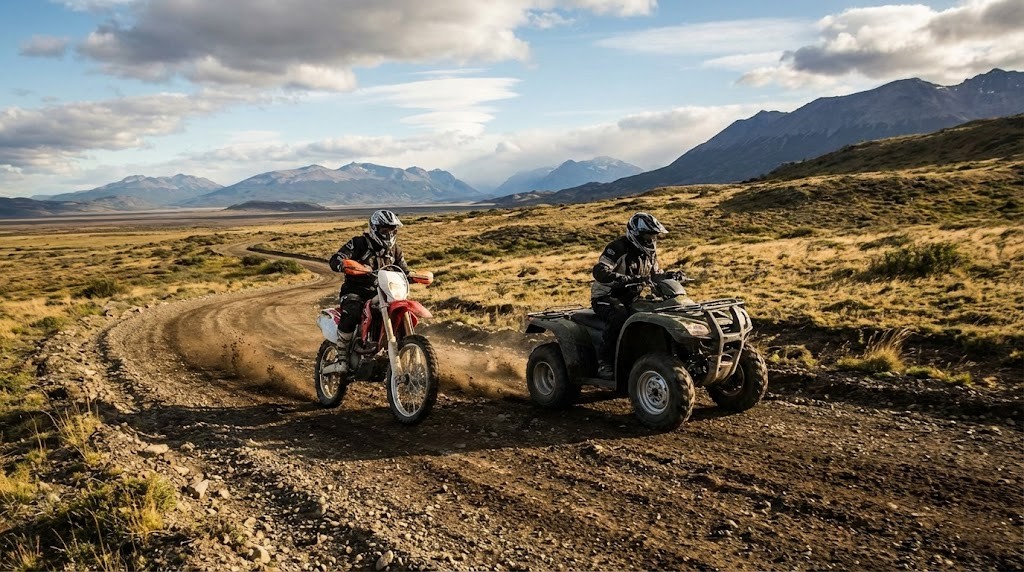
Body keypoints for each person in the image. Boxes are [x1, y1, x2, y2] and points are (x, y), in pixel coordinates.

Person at [590, 212, 673, 379]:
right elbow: (600, 271)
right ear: (635, 234)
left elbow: (655, 274)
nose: (651, 239)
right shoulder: (617, 248)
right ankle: (604, 362)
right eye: (647, 235)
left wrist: (670, 276)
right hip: (606, 297)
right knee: (619, 316)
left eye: (653, 236)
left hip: (632, 298)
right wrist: (624, 279)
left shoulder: (649, 253)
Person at [328, 209, 410, 372]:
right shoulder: (359, 243)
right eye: (385, 230)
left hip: (384, 292)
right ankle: (342, 356)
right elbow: (336, 258)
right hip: (356, 290)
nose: (389, 234)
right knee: (352, 310)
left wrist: (414, 276)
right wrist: (343, 264)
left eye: (392, 230)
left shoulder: (395, 251)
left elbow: (404, 270)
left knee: (401, 309)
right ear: (374, 228)